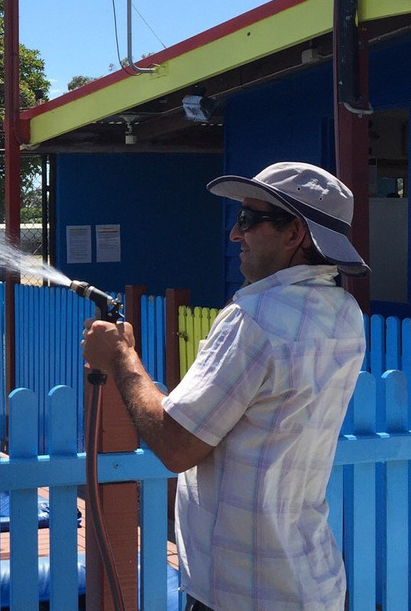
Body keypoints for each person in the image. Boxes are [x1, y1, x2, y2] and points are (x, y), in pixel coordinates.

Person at [81, 161, 369, 611]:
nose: (236, 234)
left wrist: (120, 357)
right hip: (313, 582)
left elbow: (176, 445)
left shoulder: (253, 318)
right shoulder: (345, 313)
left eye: (249, 220)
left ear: (295, 233)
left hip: (241, 592)